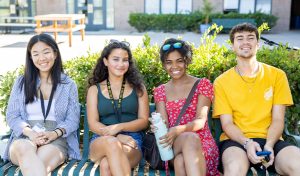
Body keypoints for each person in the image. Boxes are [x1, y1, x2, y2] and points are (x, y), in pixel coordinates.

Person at [213, 23, 300, 176]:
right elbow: (227, 124)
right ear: (233, 46)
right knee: (234, 168)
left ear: (257, 45)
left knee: (297, 164)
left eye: (250, 38)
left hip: (271, 140)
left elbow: (278, 120)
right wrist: (248, 143)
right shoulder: (221, 82)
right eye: (240, 38)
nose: (245, 42)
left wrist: (269, 145)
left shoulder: (277, 76)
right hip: (236, 142)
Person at [3, 33, 81, 176]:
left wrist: (54, 133)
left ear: (55, 54)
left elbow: (73, 120)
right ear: (30, 57)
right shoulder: (21, 82)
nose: (42, 58)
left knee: (37, 164)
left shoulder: (68, 85)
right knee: (24, 149)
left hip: (55, 139)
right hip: (24, 136)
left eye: (46, 52)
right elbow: (12, 116)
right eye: (36, 54)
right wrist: (30, 133)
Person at [153, 38, 219, 176]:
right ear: (164, 65)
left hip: (202, 143)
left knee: (180, 162)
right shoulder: (160, 91)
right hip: (174, 144)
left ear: (187, 61)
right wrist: (157, 126)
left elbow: (200, 121)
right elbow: (163, 123)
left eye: (179, 61)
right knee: (187, 141)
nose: (174, 66)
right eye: (169, 62)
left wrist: (179, 129)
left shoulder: (202, 84)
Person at [86, 40, 149, 176]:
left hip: (132, 140)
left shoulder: (138, 88)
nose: (121, 64)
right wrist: (117, 136)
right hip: (101, 138)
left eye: (125, 60)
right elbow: (93, 123)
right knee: (112, 142)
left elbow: (143, 121)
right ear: (105, 61)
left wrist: (119, 127)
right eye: (116, 59)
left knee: (106, 165)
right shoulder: (94, 90)